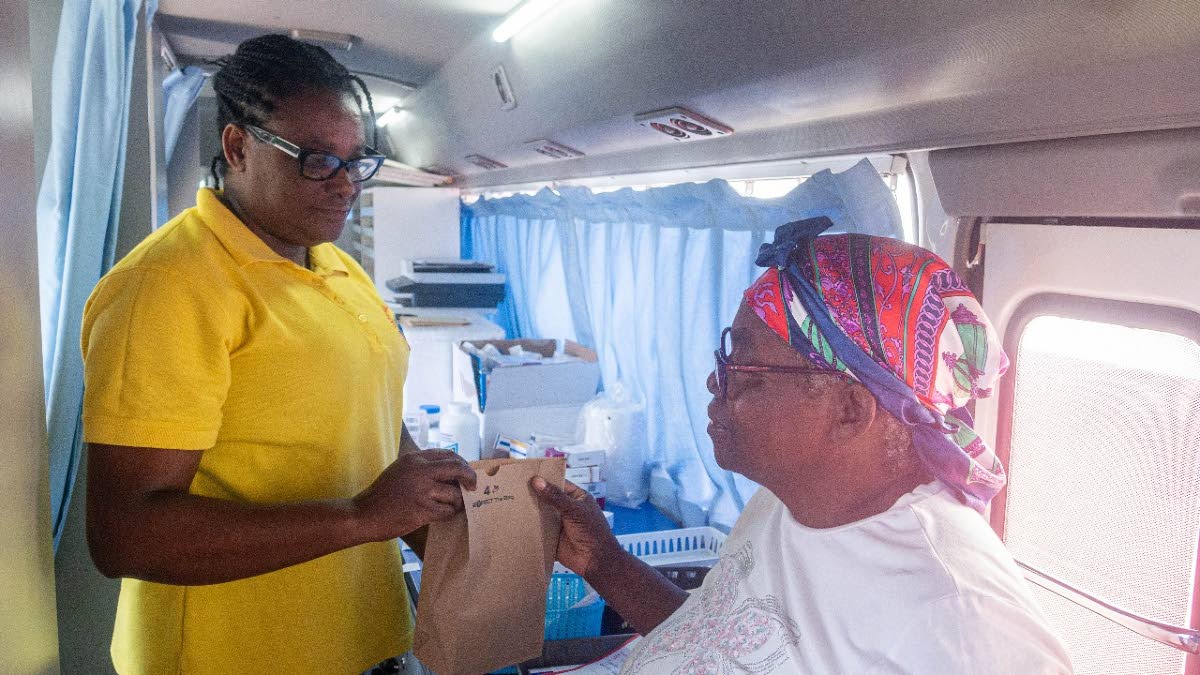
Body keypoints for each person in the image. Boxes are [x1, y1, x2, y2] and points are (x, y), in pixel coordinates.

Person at [80, 34, 475, 675]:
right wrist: (363, 515)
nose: (345, 185)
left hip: (361, 640)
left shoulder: (336, 263)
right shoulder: (169, 285)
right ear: (237, 148)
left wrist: (444, 513)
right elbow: (126, 532)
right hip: (227, 656)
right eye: (318, 160)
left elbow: (372, 427)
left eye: (357, 161)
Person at [532, 217, 1074, 673]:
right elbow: (721, 645)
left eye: (744, 367)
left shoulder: (962, 625)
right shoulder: (785, 505)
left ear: (848, 411)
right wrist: (601, 560)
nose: (715, 382)